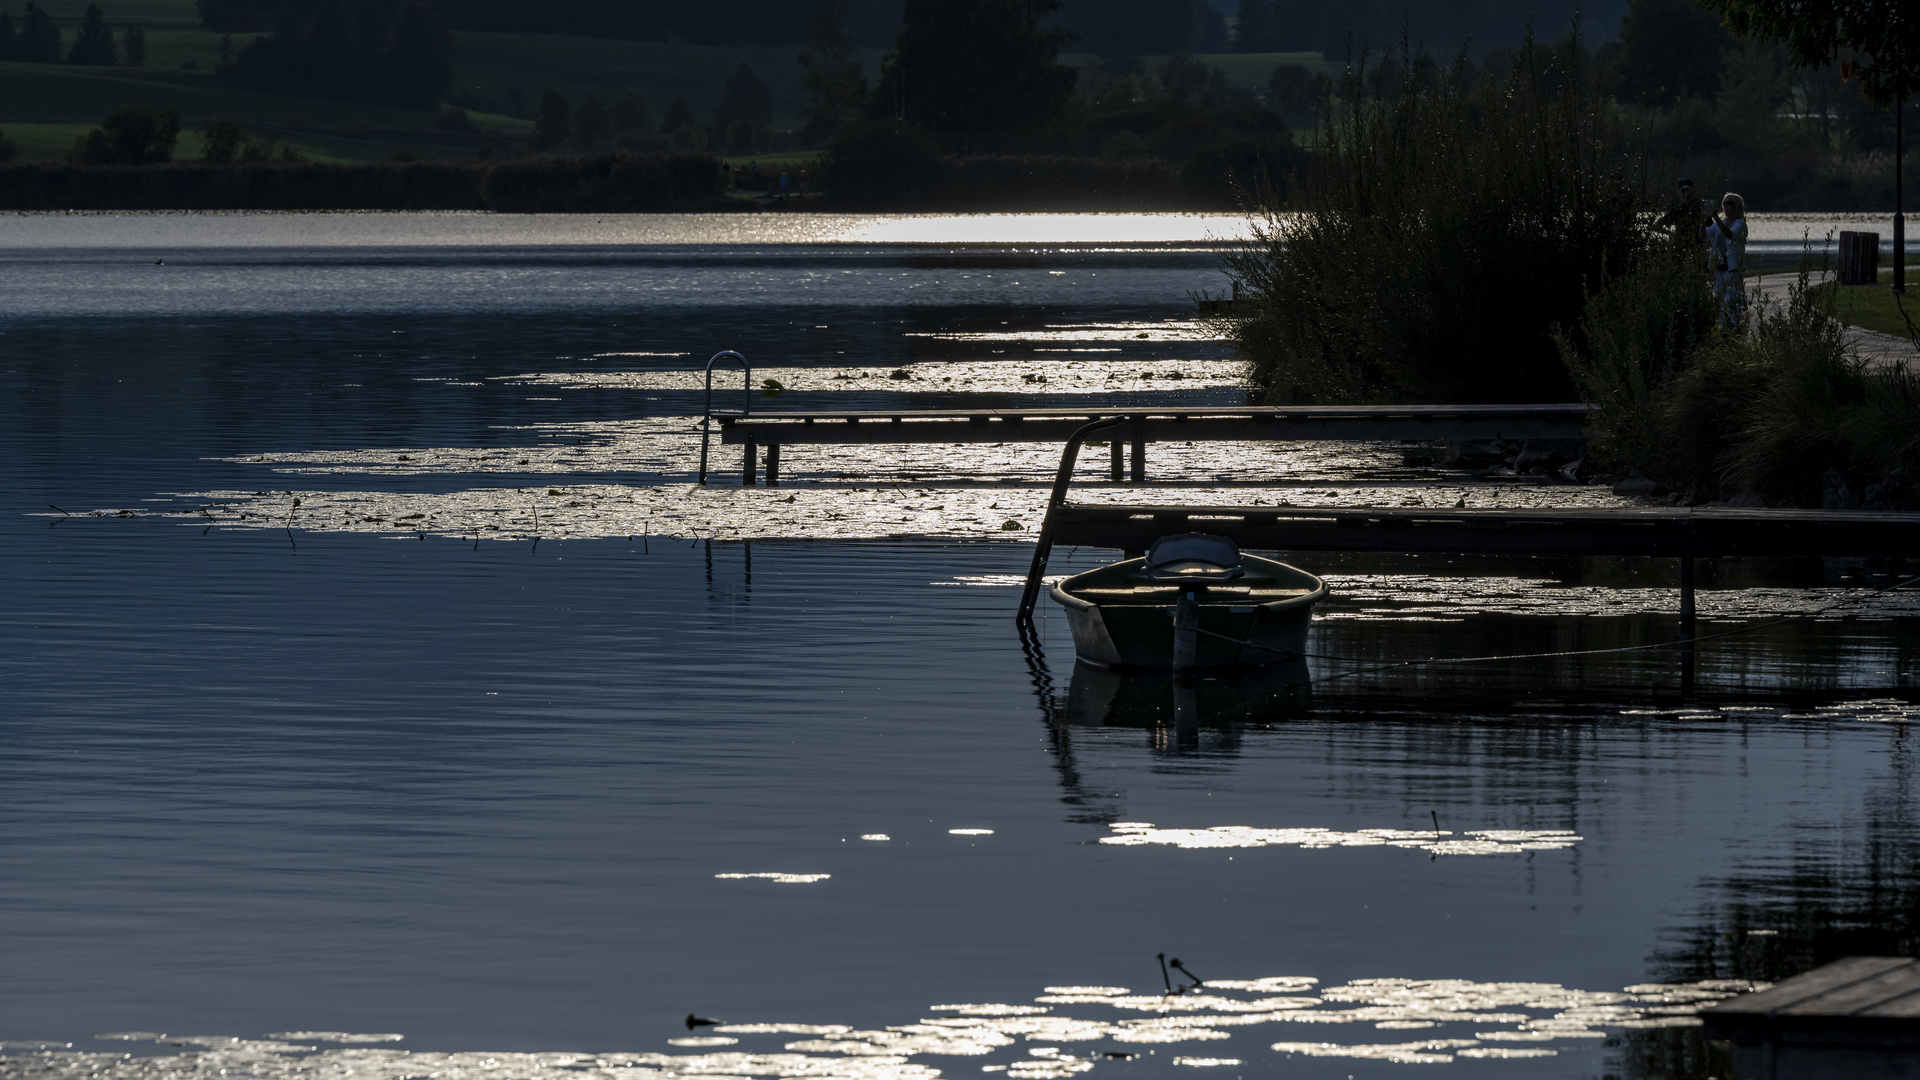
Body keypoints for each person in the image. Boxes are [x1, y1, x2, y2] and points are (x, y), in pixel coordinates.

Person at [1705, 192, 1748, 329]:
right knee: (1718, 298)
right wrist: (1704, 217)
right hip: (1719, 267)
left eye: (1729, 203)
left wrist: (1715, 217)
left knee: (1732, 299)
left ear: (1737, 206)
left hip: (1733, 268)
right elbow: (1705, 234)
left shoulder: (1740, 224)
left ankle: (1735, 326)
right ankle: (1723, 327)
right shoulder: (1721, 223)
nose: (1726, 206)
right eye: (1724, 203)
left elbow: (1730, 234)